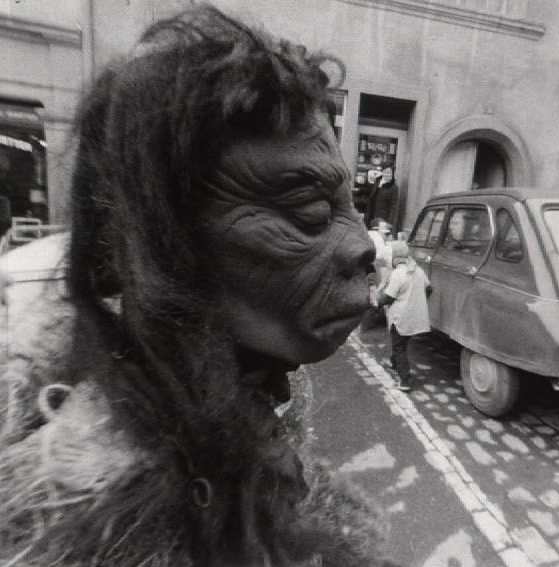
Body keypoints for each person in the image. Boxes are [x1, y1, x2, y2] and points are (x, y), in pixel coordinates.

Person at [0, 6, 404, 567]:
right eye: (310, 209)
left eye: (349, 206)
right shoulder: (85, 508)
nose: (364, 244)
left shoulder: (255, 382)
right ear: (162, 248)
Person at [374, 241, 431, 392]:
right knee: (400, 343)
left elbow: (388, 298)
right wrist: (416, 299)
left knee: (400, 348)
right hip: (415, 317)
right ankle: (394, 364)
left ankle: (404, 381)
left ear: (394, 257)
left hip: (401, 317)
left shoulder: (398, 274)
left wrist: (375, 303)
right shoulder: (418, 270)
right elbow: (429, 288)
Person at [366, 166, 398, 233]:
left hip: (383, 218)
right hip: (372, 215)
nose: (387, 175)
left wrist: (390, 222)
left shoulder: (393, 187)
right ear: (382, 172)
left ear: (392, 174)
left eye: (389, 173)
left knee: (380, 236)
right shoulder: (377, 182)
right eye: (385, 172)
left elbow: (394, 206)